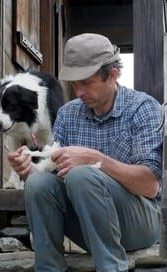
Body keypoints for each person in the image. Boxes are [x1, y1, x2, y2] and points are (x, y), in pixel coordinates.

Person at [8, 33, 162, 272]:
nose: (79, 92)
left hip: (138, 223)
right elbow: (53, 179)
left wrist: (96, 159)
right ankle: (48, 268)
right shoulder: (69, 114)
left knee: (83, 175)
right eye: (74, 84)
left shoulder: (143, 108)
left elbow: (150, 186)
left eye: (87, 83)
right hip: (85, 223)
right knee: (38, 182)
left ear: (112, 75)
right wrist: (29, 169)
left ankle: (110, 268)